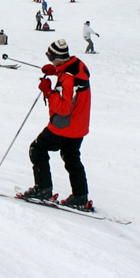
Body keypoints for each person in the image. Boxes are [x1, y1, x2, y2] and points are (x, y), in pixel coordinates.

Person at [20, 39, 92, 208]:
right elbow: (73, 84)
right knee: (71, 157)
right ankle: (80, 196)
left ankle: (43, 189)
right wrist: (56, 71)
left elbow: (64, 108)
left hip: (64, 126)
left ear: (57, 57)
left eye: (50, 57)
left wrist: (48, 91)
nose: (49, 60)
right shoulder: (78, 66)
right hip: (79, 125)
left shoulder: (68, 77)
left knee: (37, 149)